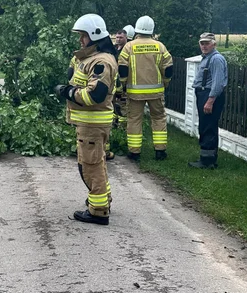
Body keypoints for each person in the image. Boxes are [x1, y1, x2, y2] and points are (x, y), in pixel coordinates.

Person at [55, 14, 117, 225]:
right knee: (96, 163)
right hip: (89, 123)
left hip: (93, 122)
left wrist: (68, 92)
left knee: (90, 166)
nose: (80, 40)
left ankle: (98, 210)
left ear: (95, 36)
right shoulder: (90, 58)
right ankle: (102, 199)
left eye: (83, 36)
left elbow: (94, 95)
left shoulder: (102, 62)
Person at [117, 15, 173, 161]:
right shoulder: (160, 46)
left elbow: (122, 68)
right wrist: (165, 83)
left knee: (134, 120)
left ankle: (134, 153)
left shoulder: (129, 46)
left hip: (134, 92)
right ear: (152, 30)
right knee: (159, 118)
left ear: (137, 29)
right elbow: (168, 68)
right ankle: (160, 151)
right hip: (156, 91)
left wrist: (123, 85)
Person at [189, 32, 228, 169]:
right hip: (205, 93)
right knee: (206, 126)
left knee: (208, 127)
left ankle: (207, 162)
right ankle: (208, 158)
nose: (204, 46)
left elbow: (218, 83)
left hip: (210, 95)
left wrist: (210, 101)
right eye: (202, 43)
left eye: (207, 43)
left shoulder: (216, 59)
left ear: (214, 44)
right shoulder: (207, 57)